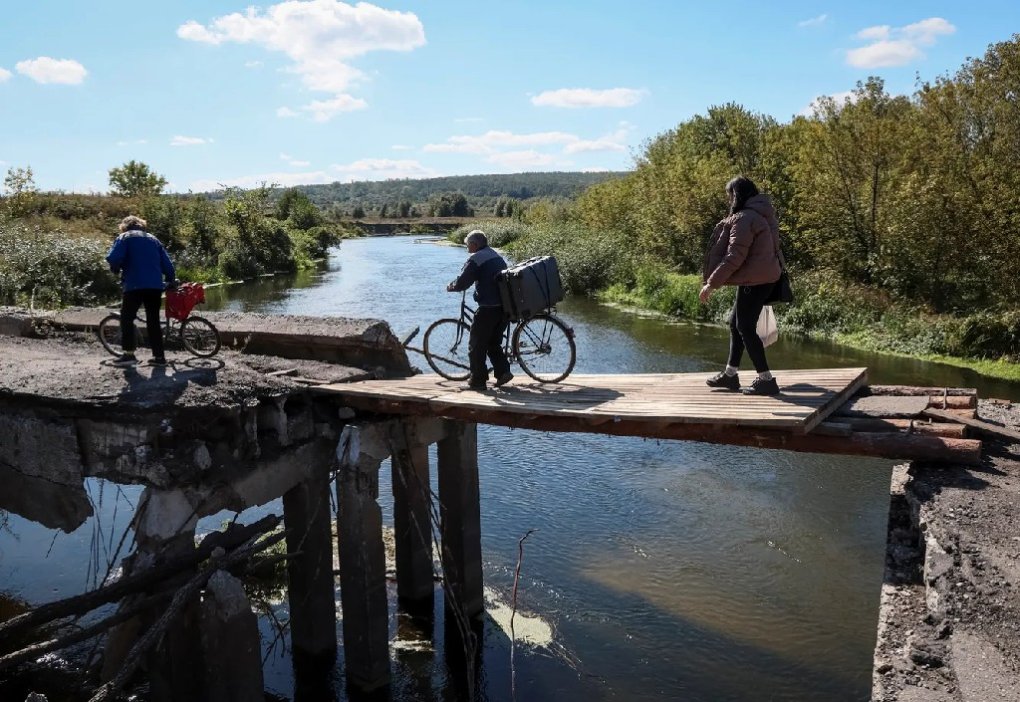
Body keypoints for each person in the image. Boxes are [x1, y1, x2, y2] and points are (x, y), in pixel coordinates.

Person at [699, 176, 783, 396]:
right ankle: (730, 375)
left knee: (744, 327)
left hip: (754, 281)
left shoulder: (745, 218)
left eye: (730, 195)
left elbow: (734, 255)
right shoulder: (763, 214)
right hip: (760, 278)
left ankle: (766, 380)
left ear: (737, 195)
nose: (729, 200)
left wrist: (711, 284)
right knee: (735, 323)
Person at [105, 215, 176, 367]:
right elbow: (167, 264)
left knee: (127, 318)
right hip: (155, 286)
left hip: (134, 285)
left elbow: (114, 257)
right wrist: (170, 279)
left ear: (124, 226)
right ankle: (159, 358)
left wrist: (116, 268)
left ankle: (129, 355)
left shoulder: (124, 237)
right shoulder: (153, 239)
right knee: (153, 321)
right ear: (141, 226)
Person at [446, 230, 513, 390]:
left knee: (476, 345)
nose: (467, 247)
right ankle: (503, 372)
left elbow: (463, 281)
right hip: (504, 307)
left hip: (488, 308)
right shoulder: (495, 255)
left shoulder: (476, 258)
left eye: (468, 244)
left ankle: (478, 380)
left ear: (474, 244)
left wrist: (452, 287)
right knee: (493, 342)